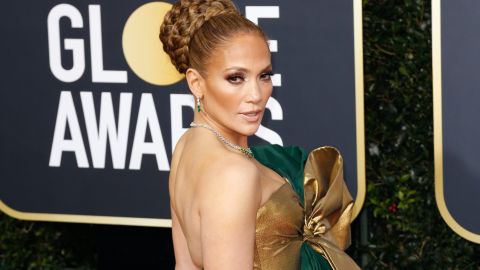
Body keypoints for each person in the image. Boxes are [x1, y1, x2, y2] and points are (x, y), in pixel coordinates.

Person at [160, 0, 360, 269]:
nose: (256, 95)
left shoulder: (186, 146)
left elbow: (185, 266)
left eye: (264, 75)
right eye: (235, 78)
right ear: (196, 82)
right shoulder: (234, 174)